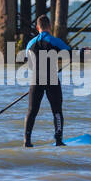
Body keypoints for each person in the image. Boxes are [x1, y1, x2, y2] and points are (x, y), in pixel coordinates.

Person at [24, 15, 69, 147]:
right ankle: (59, 141)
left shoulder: (30, 44)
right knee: (57, 111)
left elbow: (29, 63)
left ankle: (27, 141)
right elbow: (69, 53)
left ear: (37, 27)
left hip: (36, 79)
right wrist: (83, 52)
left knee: (32, 111)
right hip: (52, 79)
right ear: (49, 26)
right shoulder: (54, 40)